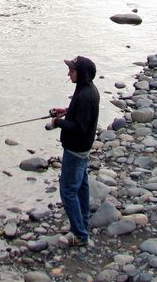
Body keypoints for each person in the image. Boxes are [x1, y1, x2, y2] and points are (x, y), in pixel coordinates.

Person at [49, 55, 100, 246]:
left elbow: (79, 127)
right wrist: (65, 111)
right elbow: (78, 114)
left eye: (72, 70)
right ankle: (83, 223)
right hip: (82, 149)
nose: (68, 73)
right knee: (81, 186)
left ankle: (79, 235)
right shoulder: (86, 89)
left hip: (76, 150)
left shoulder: (86, 95)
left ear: (82, 74)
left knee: (68, 190)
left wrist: (58, 122)